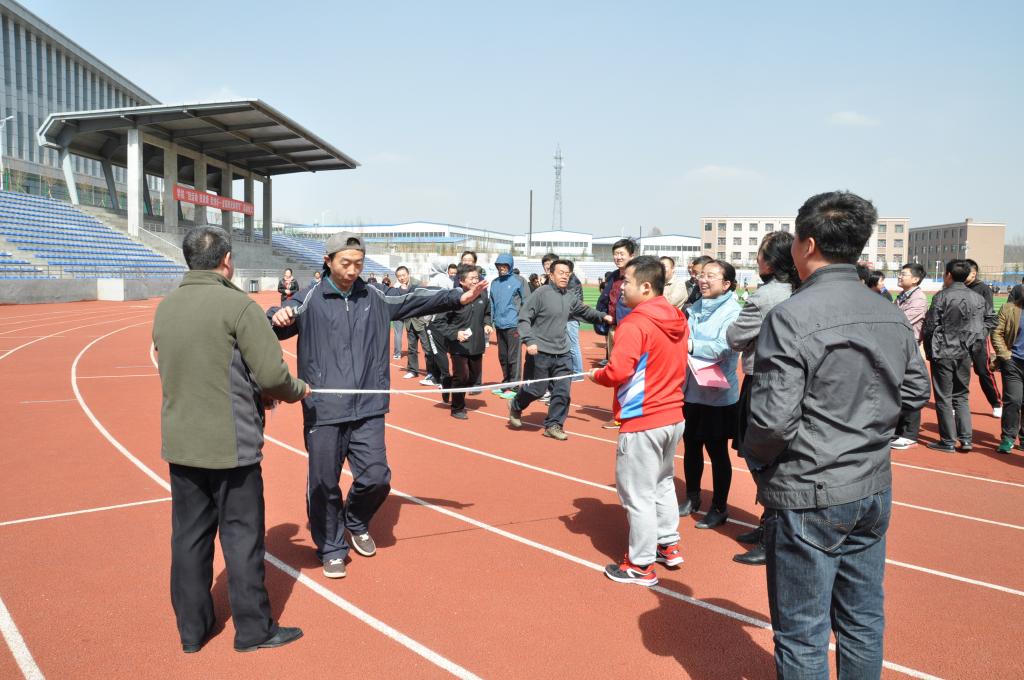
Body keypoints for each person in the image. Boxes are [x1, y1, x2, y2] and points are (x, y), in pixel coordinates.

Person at [743, 191, 930, 679]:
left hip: (810, 488)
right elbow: (916, 390)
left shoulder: (790, 315)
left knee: (802, 633)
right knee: (862, 619)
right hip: (871, 484)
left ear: (806, 245)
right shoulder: (888, 310)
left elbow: (772, 421)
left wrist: (758, 461)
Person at [268, 233, 488, 578]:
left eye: (358, 263)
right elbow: (277, 320)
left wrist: (457, 297)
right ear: (328, 262)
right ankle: (331, 547)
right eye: (345, 263)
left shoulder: (375, 295)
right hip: (324, 408)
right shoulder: (309, 297)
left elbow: (417, 299)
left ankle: (355, 519)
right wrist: (277, 315)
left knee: (377, 477)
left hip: (368, 405)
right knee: (323, 483)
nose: (352, 270)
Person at [154, 226, 308, 654]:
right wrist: (298, 390)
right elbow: (273, 375)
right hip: (231, 446)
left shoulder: (166, 308)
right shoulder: (238, 307)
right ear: (226, 261)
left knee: (189, 539)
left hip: (182, 443)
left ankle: (192, 631)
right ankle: (254, 629)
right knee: (241, 538)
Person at [588, 256, 689, 586]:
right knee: (662, 483)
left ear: (646, 287)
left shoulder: (634, 324)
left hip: (644, 419)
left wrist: (598, 375)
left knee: (638, 494)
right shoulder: (677, 317)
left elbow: (618, 371)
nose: (621, 287)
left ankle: (640, 564)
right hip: (672, 415)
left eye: (627, 282)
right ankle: (667, 544)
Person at [725, 231, 799, 566]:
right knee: (778, 458)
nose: (757, 259)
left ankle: (774, 536)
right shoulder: (802, 290)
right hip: (795, 382)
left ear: (772, 261)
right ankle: (769, 525)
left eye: (760, 254)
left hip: (762, 382)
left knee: (760, 456)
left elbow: (735, 338)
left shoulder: (766, 296)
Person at [508, 259, 612, 440]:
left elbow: (585, 311)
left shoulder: (569, 296)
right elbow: (524, 318)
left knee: (562, 392)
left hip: (563, 353)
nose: (565, 276)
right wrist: (529, 341)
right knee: (537, 390)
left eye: (567, 274)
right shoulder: (541, 293)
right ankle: (516, 405)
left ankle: (554, 425)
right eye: (561, 273)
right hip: (539, 351)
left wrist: (603, 317)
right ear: (551, 274)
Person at [677, 259, 741, 530]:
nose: (703, 280)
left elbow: (722, 347)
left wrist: (688, 345)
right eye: (702, 275)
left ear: (726, 284)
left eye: (710, 276)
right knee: (691, 446)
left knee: (717, 452)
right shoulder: (695, 308)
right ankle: (692, 497)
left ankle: (719, 507)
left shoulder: (734, 311)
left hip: (718, 394)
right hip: (692, 390)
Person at [922, 259, 992, 452]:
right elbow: (990, 320)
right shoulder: (977, 298)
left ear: (948, 275)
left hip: (944, 351)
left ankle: (948, 441)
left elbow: (930, 326)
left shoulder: (942, 296)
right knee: (961, 396)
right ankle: (966, 439)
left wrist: (930, 351)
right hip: (965, 352)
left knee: (944, 397)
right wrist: (976, 338)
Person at [434, 264, 493, 419]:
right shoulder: (453, 298)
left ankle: (448, 381)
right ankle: (457, 408)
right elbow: (438, 322)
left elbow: (487, 313)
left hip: (477, 343)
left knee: (473, 378)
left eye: (477, 278)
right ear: (461, 281)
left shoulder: (483, 295)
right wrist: (455, 334)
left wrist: (487, 324)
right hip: (458, 345)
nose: (475, 281)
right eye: (472, 278)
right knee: (462, 376)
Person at [596, 238, 638, 422]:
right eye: (615, 254)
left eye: (622, 254)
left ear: (632, 255)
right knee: (617, 372)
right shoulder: (613, 276)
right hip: (613, 330)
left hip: (631, 331)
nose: (618, 257)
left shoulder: (637, 276)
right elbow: (605, 301)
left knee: (631, 372)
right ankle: (618, 413)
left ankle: (628, 413)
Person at [891, 262, 928, 449]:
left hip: (909, 346)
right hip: (898, 345)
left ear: (915, 279)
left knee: (911, 388)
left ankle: (909, 434)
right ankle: (898, 430)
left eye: (903, 274)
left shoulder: (918, 298)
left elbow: (900, 320)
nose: (899, 276)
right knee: (898, 387)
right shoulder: (902, 296)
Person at [489, 253, 529, 398]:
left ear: (510, 266)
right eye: (499, 265)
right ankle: (506, 383)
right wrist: (490, 322)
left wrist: (523, 321)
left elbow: (527, 302)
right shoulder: (494, 283)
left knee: (514, 357)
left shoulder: (519, 281)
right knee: (503, 357)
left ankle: (515, 387)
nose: (502, 268)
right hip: (499, 325)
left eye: (505, 265)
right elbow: (492, 303)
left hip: (514, 325)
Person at [966, 259, 1002, 416]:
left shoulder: (983, 289)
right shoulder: (956, 287)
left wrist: (981, 333)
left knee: (983, 370)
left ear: (973, 273)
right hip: (959, 338)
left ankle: (996, 403)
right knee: (958, 371)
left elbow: (989, 315)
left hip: (978, 337)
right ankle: (956, 402)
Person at [991, 291, 1024, 453]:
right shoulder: (1009, 308)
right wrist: (1005, 355)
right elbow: (997, 332)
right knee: (1013, 400)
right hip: (1013, 362)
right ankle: (1008, 438)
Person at [389, 268, 409, 360]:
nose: (402, 278)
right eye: (399, 276)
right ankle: (398, 353)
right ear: (397, 277)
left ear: (408, 274)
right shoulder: (396, 287)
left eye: (403, 275)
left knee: (400, 333)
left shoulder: (410, 286)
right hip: (400, 313)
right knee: (399, 334)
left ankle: (398, 353)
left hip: (406, 312)